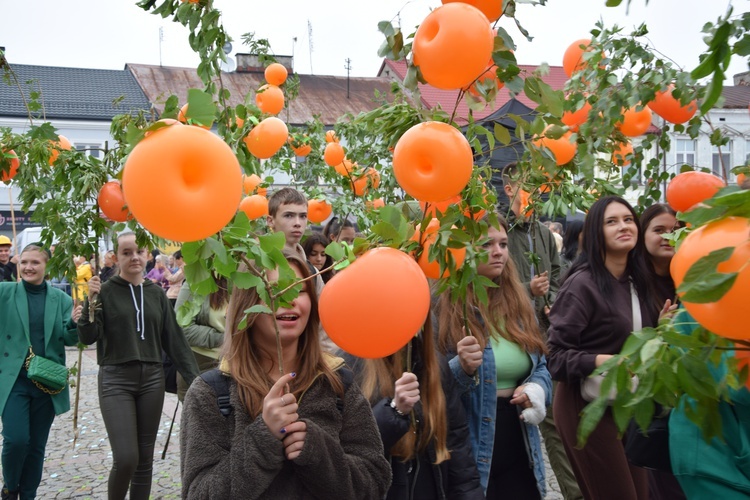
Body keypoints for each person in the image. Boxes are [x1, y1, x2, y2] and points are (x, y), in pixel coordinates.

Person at [180, 251, 392, 499]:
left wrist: (318, 452)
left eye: (299, 290)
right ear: (246, 304)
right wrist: (263, 439)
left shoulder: (338, 384)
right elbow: (199, 494)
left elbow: (374, 483)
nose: (288, 299)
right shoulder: (211, 394)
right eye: (274, 288)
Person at [546, 196, 672, 500]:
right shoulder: (582, 284)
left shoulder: (638, 282)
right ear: (595, 233)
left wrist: (660, 332)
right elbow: (555, 357)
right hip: (585, 404)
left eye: (628, 219)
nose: (623, 226)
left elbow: (633, 347)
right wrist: (602, 360)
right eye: (611, 221)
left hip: (626, 400)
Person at [434, 214, 552, 499]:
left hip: (519, 437)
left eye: (503, 243)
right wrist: (460, 368)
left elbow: (542, 366)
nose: (498, 251)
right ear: (464, 250)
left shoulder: (518, 303)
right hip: (469, 440)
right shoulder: (443, 305)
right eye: (487, 244)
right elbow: (431, 383)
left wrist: (535, 388)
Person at [77, 231, 199, 500]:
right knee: (126, 457)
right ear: (116, 257)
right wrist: (89, 304)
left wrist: (196, 380)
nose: (134, 257)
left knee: (144, 460)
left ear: (147, 255)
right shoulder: (105, 291)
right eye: (126, 252)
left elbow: (175, 340)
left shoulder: (156, 293)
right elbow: (88, 337)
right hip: (115, 379)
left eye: (139, 252)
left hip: (152, 380)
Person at [501, 163, 580, 499]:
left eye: (537, 185)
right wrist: (526, 289)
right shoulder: (500, 228)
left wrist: (552, 301)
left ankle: (574, 492)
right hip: (509, 333)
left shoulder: (546, 234)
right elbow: (490, 286)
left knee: (554, 417)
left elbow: (559, 276)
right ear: (509, 190)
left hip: (545, 333)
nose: (535, 191)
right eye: (526, 185)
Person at [346, 323, 484, 500]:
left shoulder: (433, 365)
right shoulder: (350, 367)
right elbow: (351, 451)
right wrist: (394, 411)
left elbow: (459, 452)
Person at [0, 243, 82, 500]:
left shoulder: (62, 299)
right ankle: (10, 488)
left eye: (35, 262)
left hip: (46, 381)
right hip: (14, 382)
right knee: (15, 440)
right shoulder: (4, 292)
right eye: (24, 262)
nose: (28, 267)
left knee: (36, 447)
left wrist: (75, 323)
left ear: (46, 266)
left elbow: (68, 339)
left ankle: (29, 495)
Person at [637, 203, 686, 500]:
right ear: (643, 234)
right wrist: (658, 331)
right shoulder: (631, 282)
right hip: (648, 397)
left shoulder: (689, 278)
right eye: (659, 230)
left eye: (675, 230)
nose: (669, 236)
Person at [267, 187, 337, 352]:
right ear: (270, 221)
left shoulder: (311, 271)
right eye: (289, 215)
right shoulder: (255, 263)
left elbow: (324, 325)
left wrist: (327, 363)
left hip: (304, 359)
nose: (297, 222)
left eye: (303, 216)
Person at [173, 275, 229, 401]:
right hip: (200, 364)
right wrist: (225, 339)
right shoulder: (196, 281)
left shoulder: (249, 278)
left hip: (238, 363)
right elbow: (182, 327)